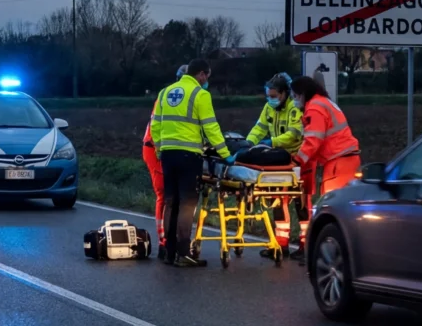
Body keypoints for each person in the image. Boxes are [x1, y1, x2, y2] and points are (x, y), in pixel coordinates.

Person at [150, 59, 229, 268]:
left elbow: (155, 126)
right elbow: (211, 127)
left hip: (167, 154)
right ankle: (184, 254)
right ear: (201, 74)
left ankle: (169, 251)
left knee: (170, 202)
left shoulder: (165, 92)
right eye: (207, 77)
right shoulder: (200, 95)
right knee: (186, 204)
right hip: (189, 156)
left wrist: (159, 149)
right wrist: (225, 154)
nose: (206, 81)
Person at [290, 75, 361, 258]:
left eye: (296, 95)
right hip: (345, 160)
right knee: (340, 208)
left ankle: (332, 252)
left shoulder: (315, 108)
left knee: (331, 208)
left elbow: (313, 140)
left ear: (303, 94)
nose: (294, 100)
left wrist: (296, 161)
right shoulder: (324, 103)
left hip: (338, 162)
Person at [244, 72, 306, 254]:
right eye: (268, 96)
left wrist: (273, 142)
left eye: (273, 96)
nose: (270, 100)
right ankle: (280, 244)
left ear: (284, 93)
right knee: (277, 200)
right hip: (277, 158)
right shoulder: (269, 108)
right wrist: (248, 144)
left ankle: (305, 244)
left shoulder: (294, 108)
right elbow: (259, 128)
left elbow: (295, 134)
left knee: (300, 202)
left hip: (296, 158)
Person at [143, 64, 187, 260]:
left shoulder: (190, 97)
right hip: (157, 149)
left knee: (178, 197)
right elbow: (156, 129)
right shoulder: (167, 97)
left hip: (171, 150)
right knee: (165, 195)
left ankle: (177, 238)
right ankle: (164, 241)